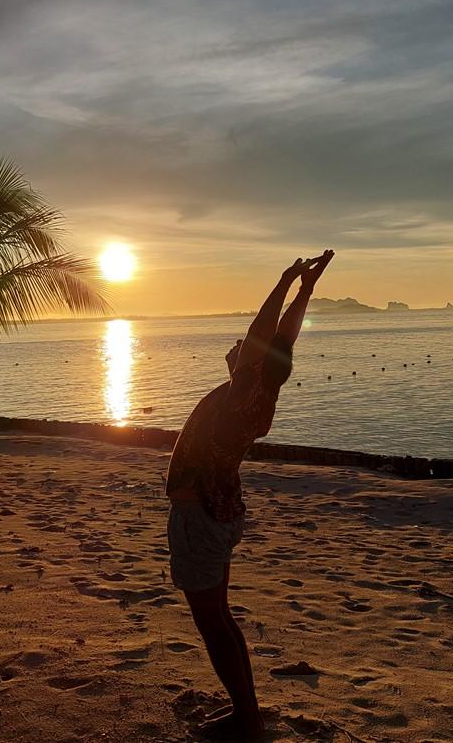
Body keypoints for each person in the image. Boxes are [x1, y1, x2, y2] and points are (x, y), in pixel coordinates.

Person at [165, 250, 335, 739]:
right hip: (217, 511)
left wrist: (283, 282)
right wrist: (305, 290)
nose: (239, 346)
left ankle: (245, 719)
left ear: (252, 365)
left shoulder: (244, 393)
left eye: (243, 348)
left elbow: (266, 336)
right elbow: (283, 337)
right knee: (220, 616)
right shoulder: (261, 396)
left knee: (212, 622)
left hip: (200, 517)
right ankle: (248, 713)